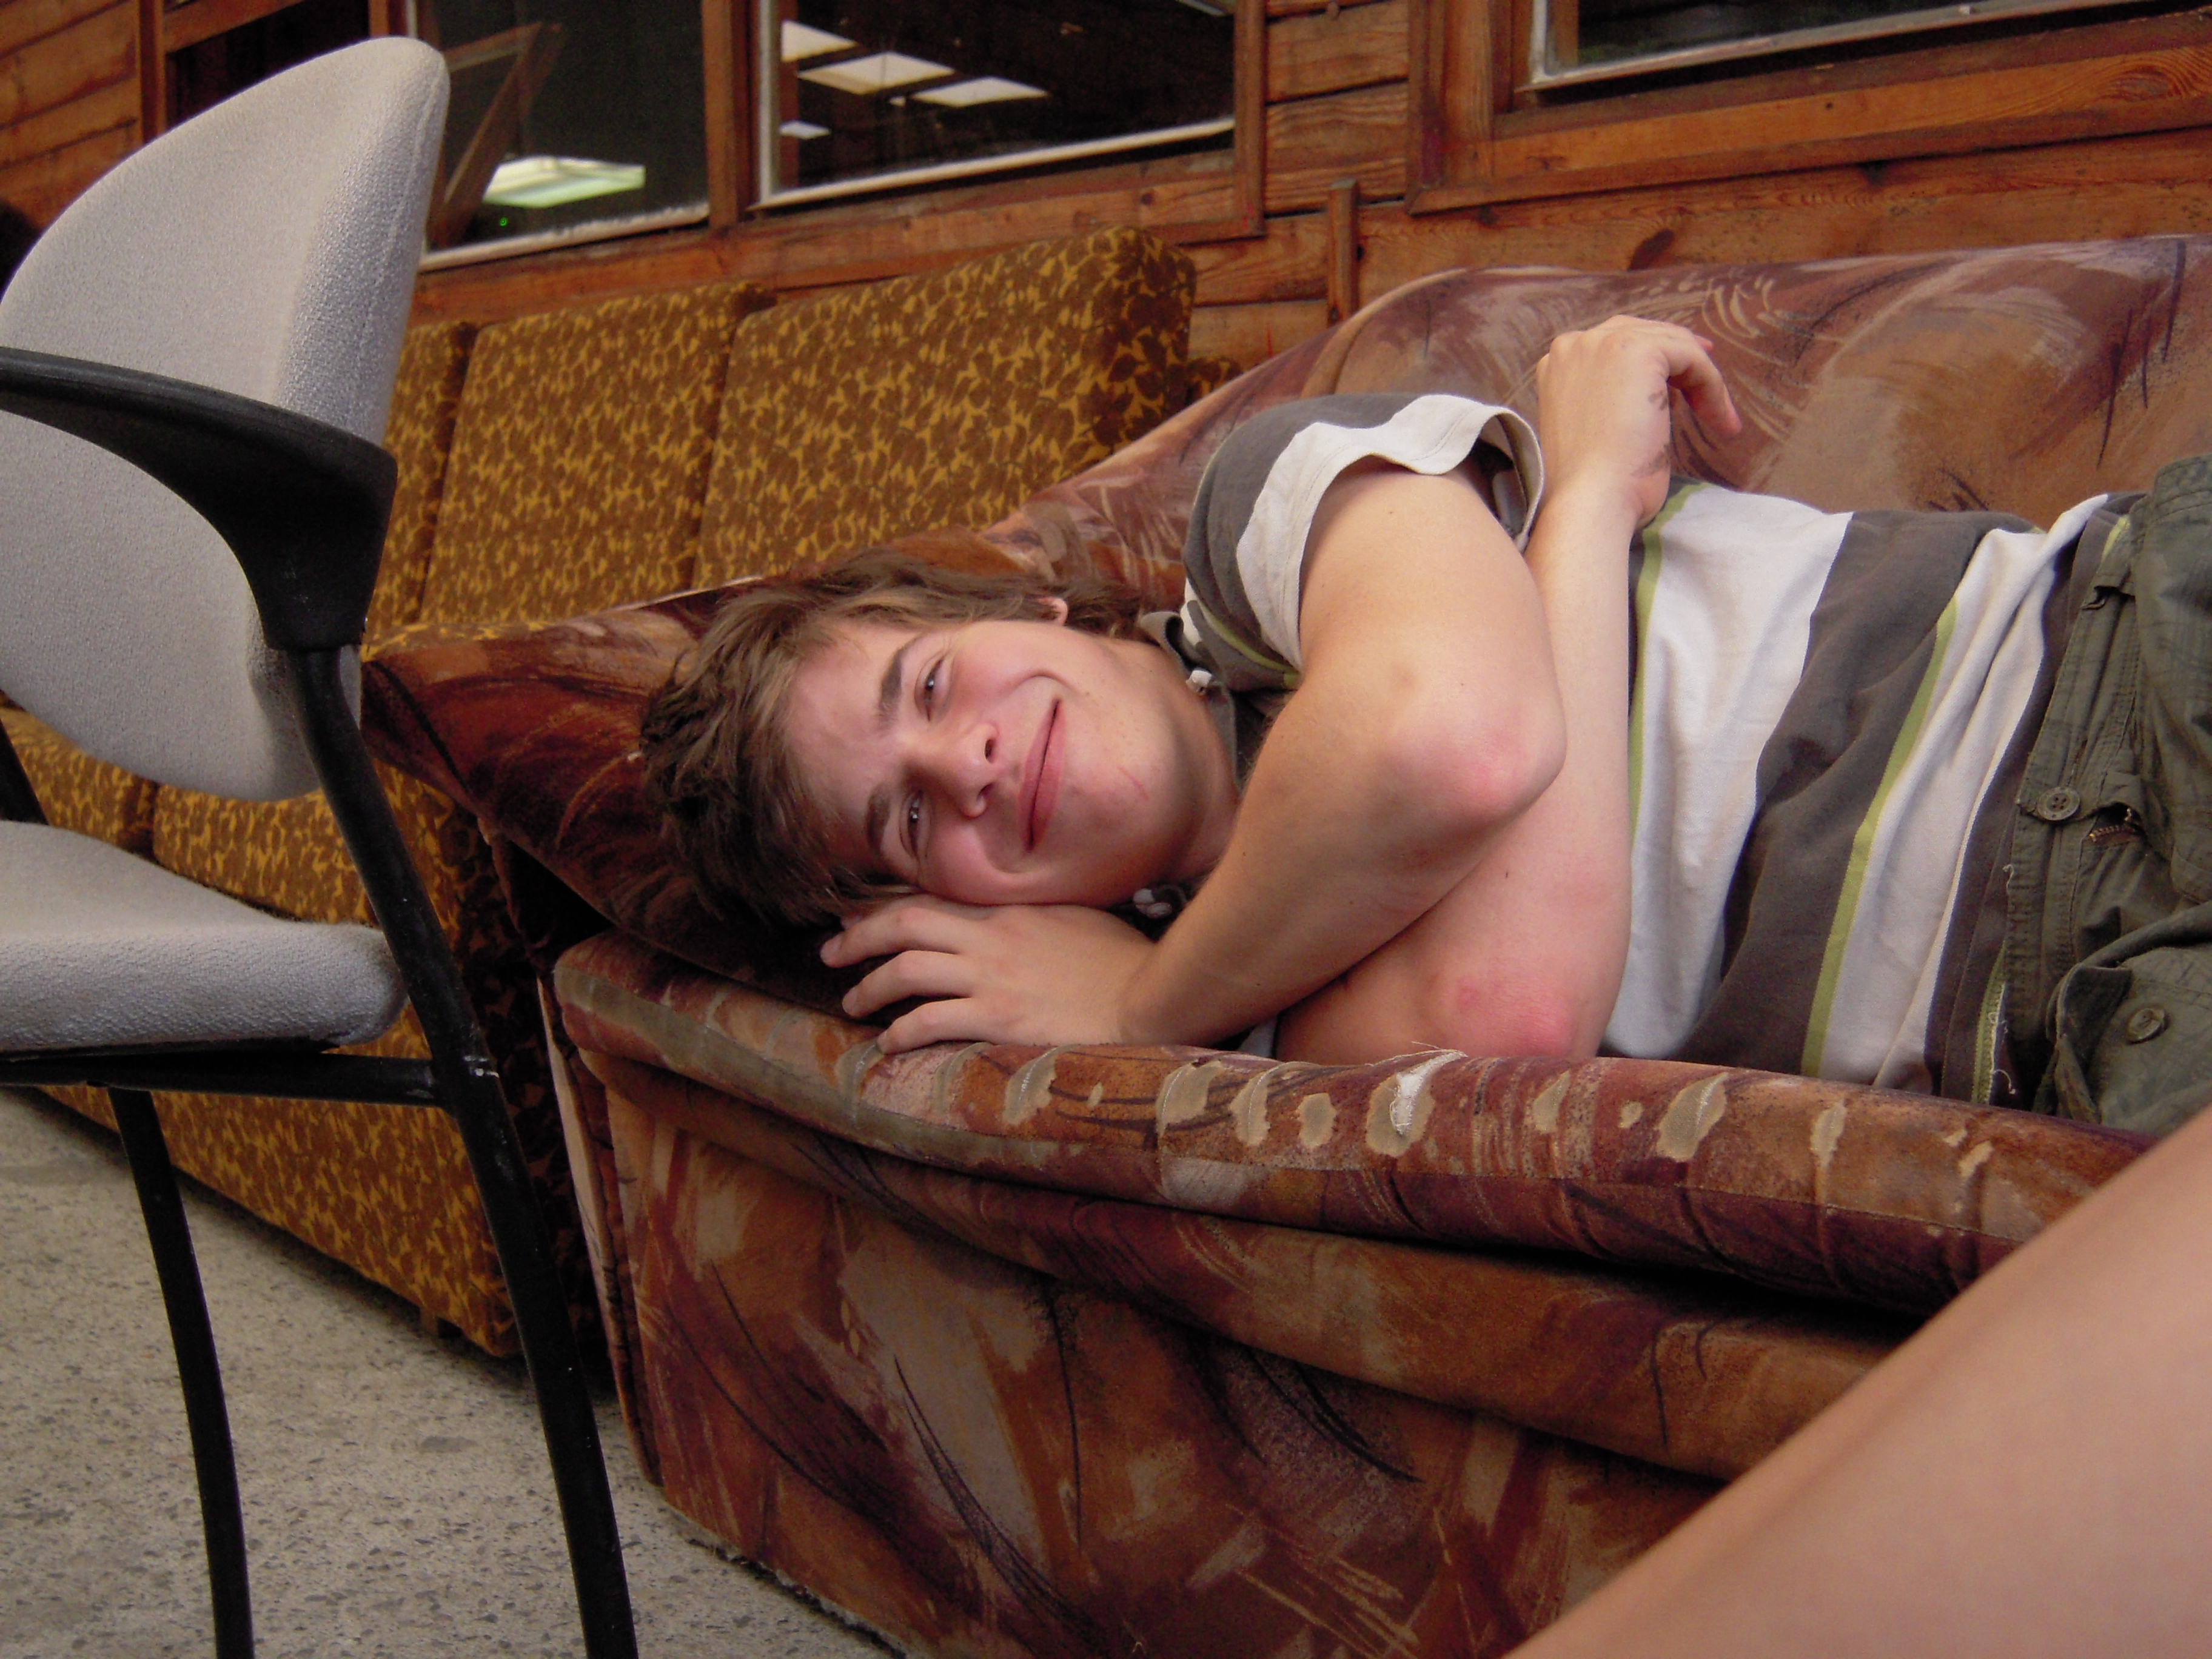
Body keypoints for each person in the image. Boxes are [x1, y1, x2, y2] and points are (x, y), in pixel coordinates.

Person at [642, 317, 2212, 1133]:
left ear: (1031, 612)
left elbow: (1450, 738)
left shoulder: (1258, 525)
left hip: (2112, 664)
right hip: (2067, 1008)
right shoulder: (1245, 1022)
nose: (966, 760)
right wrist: (1581, 519)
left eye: (927, 687)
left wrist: (1137, 1009)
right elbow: (1512, 1007)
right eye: (910, 822)